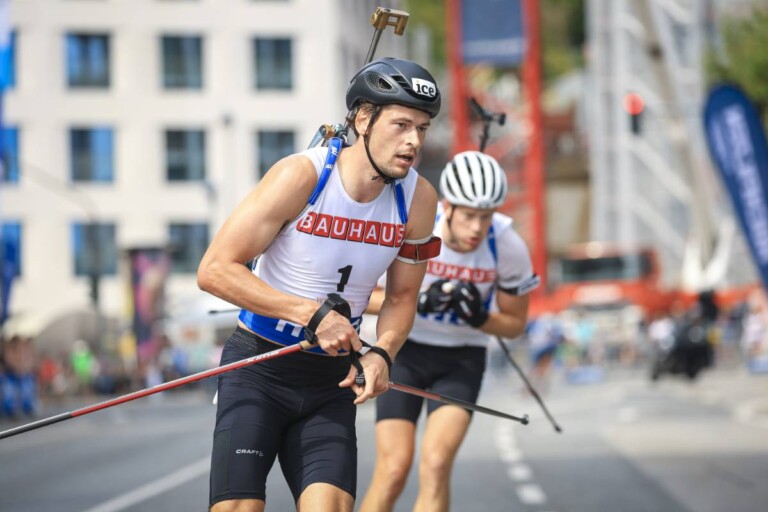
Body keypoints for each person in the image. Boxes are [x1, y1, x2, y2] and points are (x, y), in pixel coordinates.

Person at [197, 57, 442, 512]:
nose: (413, 141)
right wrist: (309, 313)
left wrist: (383, 352)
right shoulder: (302, 175)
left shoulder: (418, 199)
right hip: (260, 367)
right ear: (363, 119)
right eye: (402, 125)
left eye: (423, 129)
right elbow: (214, 269)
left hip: (332, 380)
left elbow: (403, 296)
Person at [360, 151, 540, 512]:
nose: (477, 228)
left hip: (461, 360)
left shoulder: (507, 246)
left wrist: (478, 317)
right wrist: (419, 301)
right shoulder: (419, 226)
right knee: (393, 469)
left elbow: (515, 324)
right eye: (469, 215)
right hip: (406, 350)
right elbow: (363, 297)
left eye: (486, 217)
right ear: (448, 207)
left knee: (437, 463)